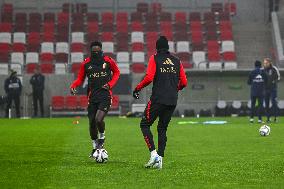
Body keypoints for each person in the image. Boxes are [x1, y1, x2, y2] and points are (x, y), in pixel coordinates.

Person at [132, 36, 188, 169]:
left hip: (158, 99)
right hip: (172, 100)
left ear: (157, 48)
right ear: (168, 47)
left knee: (144, 124)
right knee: (162, 128)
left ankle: (153, 154)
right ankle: (160, 160)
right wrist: (175, 89)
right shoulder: (176, 60)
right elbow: (184, 82)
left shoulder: (155, 58)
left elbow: (149, 77)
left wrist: (137, 88)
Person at [70, 41, 120, 158]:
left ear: (101, 50)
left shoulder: (108, 60)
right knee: (92, 122)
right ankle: (94, 148)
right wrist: (73, 85)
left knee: (98, 119)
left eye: (98, 51)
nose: (96, 53)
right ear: (91, 51)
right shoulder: (86, 64)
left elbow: (117, 72)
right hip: (92, 97)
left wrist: (110, 84)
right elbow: (80, 79)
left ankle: (102, 137)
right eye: (94, 52)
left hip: (105, 95)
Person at [263, 58, 280, 122]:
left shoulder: (274, 69)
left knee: (274, 102)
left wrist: (274, 82)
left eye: (266, 63)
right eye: (264, 63)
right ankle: (268, 118)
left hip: (273, 89)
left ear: (269, 63)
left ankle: (275, 117)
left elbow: (278, 77)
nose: (265, 64)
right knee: (266, 104)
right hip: (265, 89)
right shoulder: (263, 70)